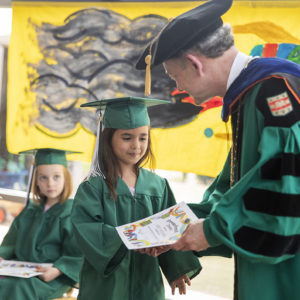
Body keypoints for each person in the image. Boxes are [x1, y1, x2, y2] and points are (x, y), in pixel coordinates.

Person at [136, 0, 300, 300]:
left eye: (175, 77)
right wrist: (178, 226)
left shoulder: (276, 93)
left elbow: (282, 193)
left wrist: (211, 231)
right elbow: (236, 188)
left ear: (196, 64)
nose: (178, 88)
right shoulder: (250, 94)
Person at [71, 96, 201, 300]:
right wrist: (130, 239)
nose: (136, 146)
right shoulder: (93, 187)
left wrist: (177, 268)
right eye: (126, 137)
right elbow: (86, 229)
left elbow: (170, 228)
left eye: (142, 138)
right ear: (108, 138)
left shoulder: (157, 186)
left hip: (146, 280)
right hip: (106, 286)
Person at [0, 148, 83, 299]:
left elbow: (77, 252)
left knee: (18, 287)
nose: (50, 183)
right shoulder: (30, 210)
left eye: (56, 177)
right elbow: (11, 242)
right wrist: (2, 257)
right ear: (36, 181)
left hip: (51, 278)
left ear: (66, 178)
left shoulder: (71, 212)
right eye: (43, 178)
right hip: (20, 269)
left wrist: (58, 270)